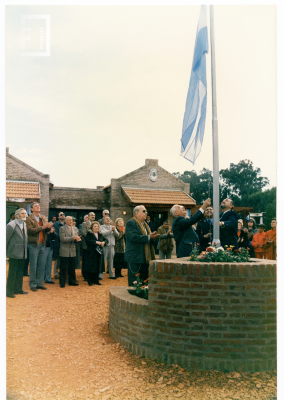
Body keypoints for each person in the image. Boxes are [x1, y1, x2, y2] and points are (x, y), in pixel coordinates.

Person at [124, 205, 160, 286]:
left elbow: (145, 237)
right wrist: (148, 237)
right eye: (144, 211)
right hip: (135, 258)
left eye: (146, 211)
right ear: (136, 213)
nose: (146, 213)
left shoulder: (145, 224)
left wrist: (151, 236)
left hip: (144, 257)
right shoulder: (131, 223)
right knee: (134, 282)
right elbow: (133, 237)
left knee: (144, 281)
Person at [26, 202, 53, 291]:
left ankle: (39, 283)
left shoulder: (43, 217)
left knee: (42, 265)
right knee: (33, 265)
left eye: (38, 205)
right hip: (34, 245)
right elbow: (30, 231)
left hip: (43, 244)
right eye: (35, 206)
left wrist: (49, 228)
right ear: (32, 209)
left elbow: (46, 230)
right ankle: (33, 284)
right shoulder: (29, 219)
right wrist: (43, 227)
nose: (38, 207)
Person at [6, 208, 28, 298]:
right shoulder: (11, 225)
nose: (24, 215)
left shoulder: (24, 224)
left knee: (20, 272)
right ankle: (9, 291)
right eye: (22, 213)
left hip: (22, 253)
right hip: (14, 253)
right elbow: (6, 239)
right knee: (12, 273)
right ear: (17, 215)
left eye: (25, 213)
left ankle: (18, 289)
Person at [59, 216, 81, 288]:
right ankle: (62, 282)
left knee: (72, 267)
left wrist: (77, 239)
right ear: (65, 221)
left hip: (72, 250)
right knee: (63, 268)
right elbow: (62, 239)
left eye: (71, 220)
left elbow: (75, 238)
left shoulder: (75, 228)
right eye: (69, 220)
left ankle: (72, 281)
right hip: (64, 251)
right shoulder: (62, 228)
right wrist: (73, 238)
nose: (71, 221)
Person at [85, 221, 107, 285]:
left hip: (98, 253)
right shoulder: (89, 234)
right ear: (92, 227)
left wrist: (104, 242)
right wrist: (96, 242)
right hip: (91, 253)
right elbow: (88, 241)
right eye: (95, 226)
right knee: (91, 267)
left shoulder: (100, 234)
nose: (96, 227)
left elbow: (106, 240)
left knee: (98, 266)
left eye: (97, 226)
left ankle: (96, 280)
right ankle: (90, 281)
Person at [81, 212, 96, 280]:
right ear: (88, 216)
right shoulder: (84, 224)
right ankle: (85, 275)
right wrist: (91, 238)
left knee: (92, 260)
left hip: (93, 246)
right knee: (85, 261)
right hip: (86, 245)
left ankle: (91, 275)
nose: (93, 216)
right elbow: (84, 233)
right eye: (92, 215)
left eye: (94, 215)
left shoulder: (95, 224)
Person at [53, 211, 66, 279]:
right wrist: (62, 237)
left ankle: (62, 272)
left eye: (63, 214)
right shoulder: (55, 224)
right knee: (57, 259)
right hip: (58, 243)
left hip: (65, 243)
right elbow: (55, 233)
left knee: (63, 259)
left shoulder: (66, 224)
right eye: (61, 215)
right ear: (58, 217)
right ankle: (55, 273)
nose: (63, 215)